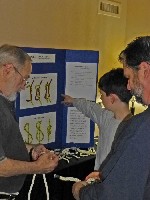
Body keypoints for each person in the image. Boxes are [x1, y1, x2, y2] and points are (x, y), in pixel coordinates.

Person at [72, 36, 150, 200]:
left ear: (144, 71)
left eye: (128, 77)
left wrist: (81, 192)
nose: (128, 86)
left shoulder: (140, 127)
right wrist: (107, 174)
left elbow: (112, 195)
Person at [0, 44, 59, 199]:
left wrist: (31, 149)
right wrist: (37, 167)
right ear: (8, 69)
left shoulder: (4, 101)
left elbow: (5, 142)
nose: (24, 86)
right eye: (24, 78)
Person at [62, 68, 132, 180]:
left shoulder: (132, 130)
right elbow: (91, 108)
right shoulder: (107, 116)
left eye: (102, 95)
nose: (101, 98)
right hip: (98, 178)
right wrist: (73, 101)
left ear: (112, 99)